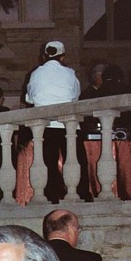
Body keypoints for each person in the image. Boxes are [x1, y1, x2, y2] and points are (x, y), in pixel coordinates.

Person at [25, 40, 81, 202]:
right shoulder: (70, 73)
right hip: (68, 125)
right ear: (62, 57)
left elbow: (30, 98)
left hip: (45, 126)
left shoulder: (35, 74)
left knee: (48, 162)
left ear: (44, 56)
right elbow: (75, 96)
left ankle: (52, 195)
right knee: (76, 160)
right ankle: (81, 192)